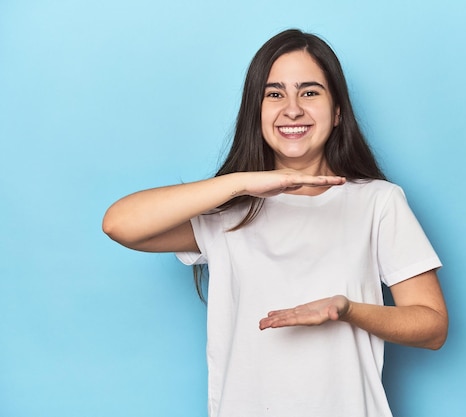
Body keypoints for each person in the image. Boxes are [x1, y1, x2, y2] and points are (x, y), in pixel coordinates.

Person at [102, 29, 448, 417]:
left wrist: (347, 310)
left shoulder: (378, 202)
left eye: (310, 92)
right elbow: (119, 224)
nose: (293, 108)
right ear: (257, 112)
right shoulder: (232, 208)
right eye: (274, 94)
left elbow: (432, 327)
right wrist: (242, 183)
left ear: (337, 112)